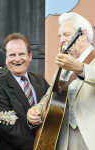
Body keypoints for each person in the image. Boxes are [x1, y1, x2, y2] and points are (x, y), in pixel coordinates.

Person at [27, 12, 95, 150]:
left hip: (89, 139)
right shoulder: (63, 67)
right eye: (60, 36)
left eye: (66, 34)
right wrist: (36, 109)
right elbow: (51, 94)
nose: (62, 39)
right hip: (61, 138)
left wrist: (81, 68)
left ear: (82, 35)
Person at [0, 33, 49, 150]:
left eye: (21, 54)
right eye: (12, 55)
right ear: (6, 59)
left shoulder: (39, 80)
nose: (17, 59)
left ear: (30, 56)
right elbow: (7, 127)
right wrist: (37, 147)